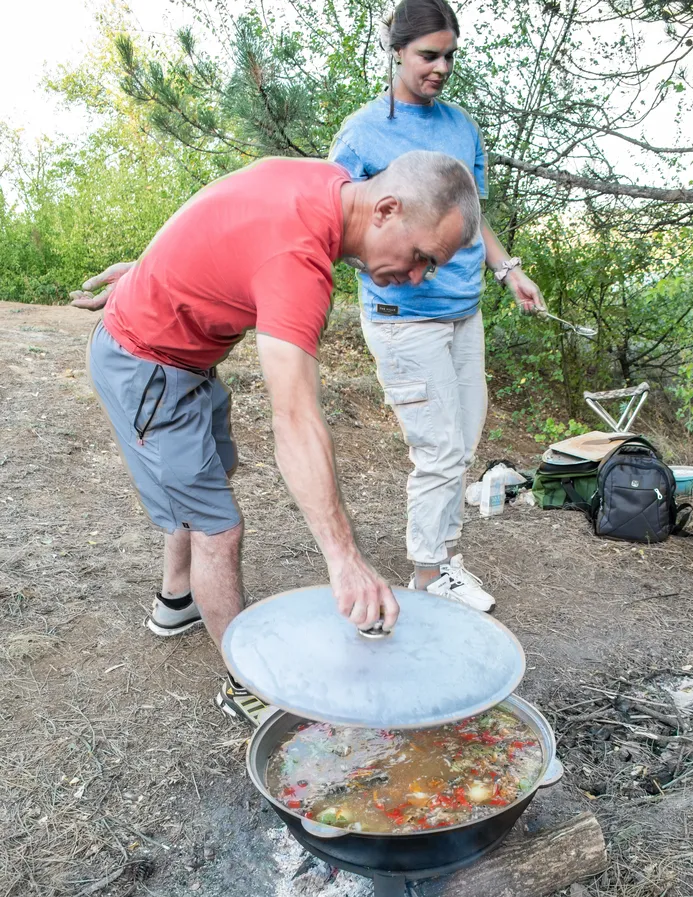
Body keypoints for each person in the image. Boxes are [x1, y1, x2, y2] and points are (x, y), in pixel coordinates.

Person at [72, 150, 480, 719]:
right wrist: (345, 559)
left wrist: (151, 269)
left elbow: (222, 205)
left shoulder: (328, 185)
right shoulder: (298, 259)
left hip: (183, 357)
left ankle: (176, 600)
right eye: (420, 258)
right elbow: (295, 419)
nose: (415, 277)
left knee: (209, 478)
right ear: (386, 209)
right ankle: (245, 688)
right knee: (218, 528)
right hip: (147, 365)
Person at [329, 0, 546, 613]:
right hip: (405, 318)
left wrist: (507, 272)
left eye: (450, 55)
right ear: (396, 51)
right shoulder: (363, 132)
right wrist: (377, 266)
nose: (441, 67)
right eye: (429, 55)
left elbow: (470, 222)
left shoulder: (461, 129)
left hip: (463, 312)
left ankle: (446, 557)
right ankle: (427, 574)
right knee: (440, 448)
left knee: (462, 441)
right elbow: (334, 221)